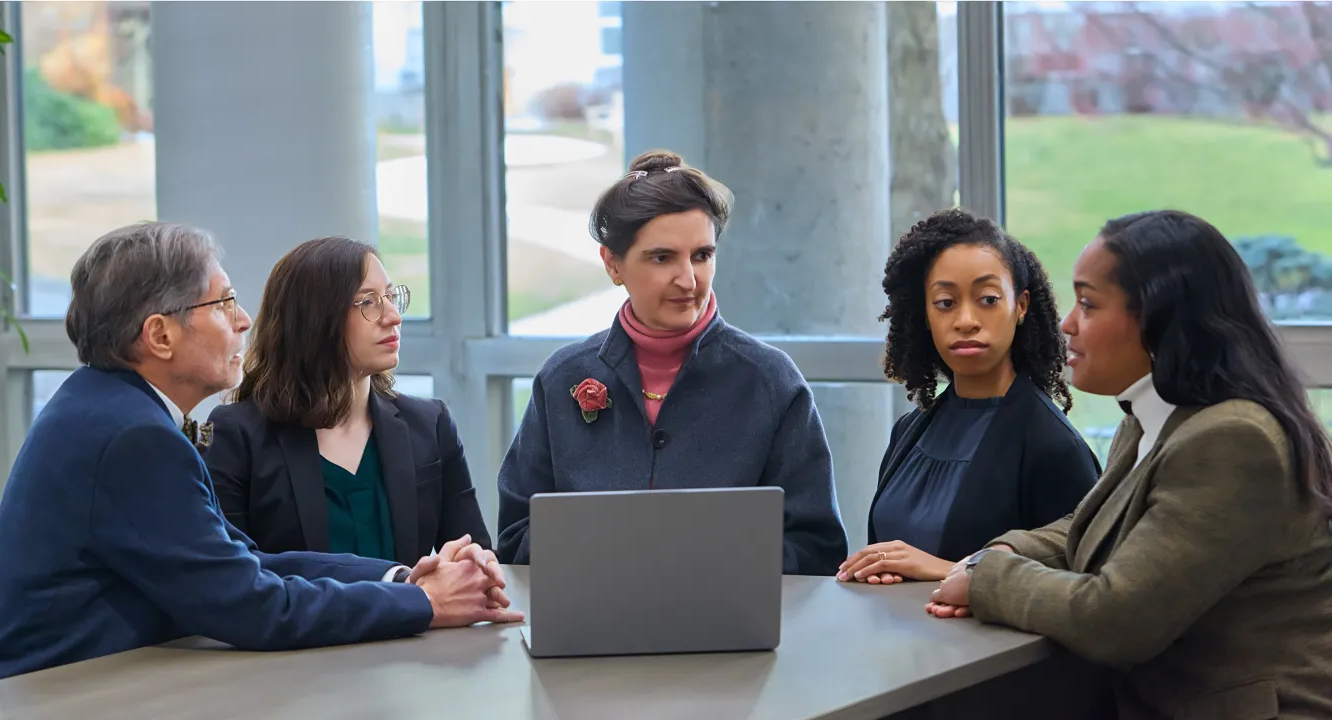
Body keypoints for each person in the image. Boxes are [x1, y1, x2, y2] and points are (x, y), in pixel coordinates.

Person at [0, 222, 521, 685]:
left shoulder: (112, 410)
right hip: (55, 699)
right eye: (224, 301)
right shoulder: (134, 439)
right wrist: (426, 605)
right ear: (160, 336)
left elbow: (245, 562)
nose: (244, 320)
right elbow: (253, 606)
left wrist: (402, 579)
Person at [929, 210, 1332, 718]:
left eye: (1088, 304)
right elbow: (1090, 528)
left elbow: (1115, 620)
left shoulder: (1234, 439)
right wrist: (996, 553)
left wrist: (991, 580)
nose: (1067, 324)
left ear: (1160, 318)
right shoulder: (1151, 419)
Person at [495, 150, 848, 575]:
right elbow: (515, 540)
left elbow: (818, 549)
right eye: (663, 258)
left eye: (702, 255)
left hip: (732, 631)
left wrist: (706, 564)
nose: (689, 280)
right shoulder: (561, 379)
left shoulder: (771, 382)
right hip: (588, 631)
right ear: (613, 264)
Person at [838, 210, 1099, 585]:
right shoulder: (909, 432)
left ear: (1021, 306)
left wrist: (950, 572)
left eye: (988, 299)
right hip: (898, 638)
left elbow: (1079, 586)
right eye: (945, 302)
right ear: (925, 315)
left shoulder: (1055, 446)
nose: (965, 320)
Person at [203, 237, 491, 565]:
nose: (394, 316)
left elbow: (476, 555)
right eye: (369, 302)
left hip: (417, 618)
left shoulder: (430, 424)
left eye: (391, 296)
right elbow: (233, 576)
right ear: (314, 319)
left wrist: (472, 570)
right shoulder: (235, 436)